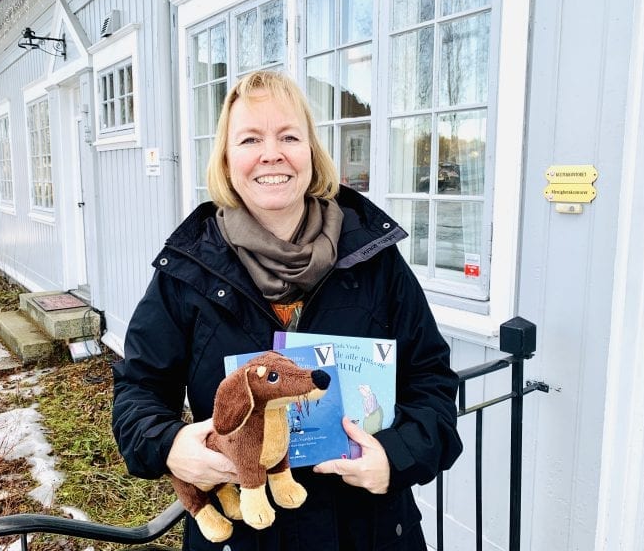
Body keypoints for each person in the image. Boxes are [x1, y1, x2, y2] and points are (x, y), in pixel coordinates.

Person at [112, 70, 462, 550]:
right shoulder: (188, 270)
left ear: (311, 153)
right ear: (228, 158)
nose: (271, 153)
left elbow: (432, 381)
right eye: (250, 138)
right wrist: (169, 446)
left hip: (369, 531)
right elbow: (139, 389)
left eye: (289, 136)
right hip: (246, 532)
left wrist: (395, 458)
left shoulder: (373, 258)